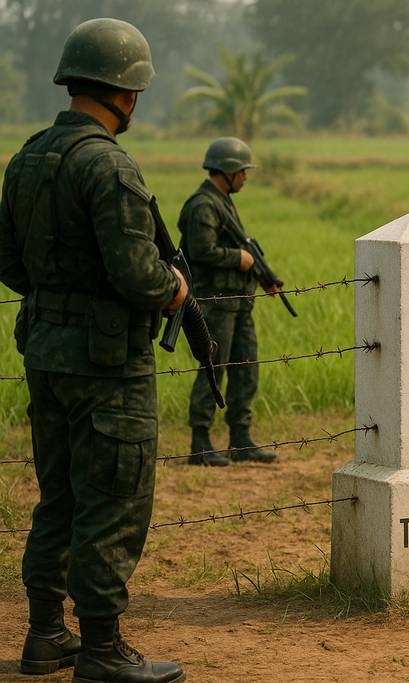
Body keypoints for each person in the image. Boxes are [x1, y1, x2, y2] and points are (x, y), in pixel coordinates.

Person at [0, 18, 186, 682]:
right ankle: (103, 649)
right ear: (126, 93)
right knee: (113, 497)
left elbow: (11, 264)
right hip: (109, 367)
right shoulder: (107, 164)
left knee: (58, 498)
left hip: (46, 356)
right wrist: (173, 289)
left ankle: (46, 633)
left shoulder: (26, 158)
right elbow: (139, 274)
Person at [179, 137, 278, 465]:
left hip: (238, 302)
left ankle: (241, 438)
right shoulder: (202, 205)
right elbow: (201, 251)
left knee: (246, 368)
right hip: (215, 302)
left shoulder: (222, 201)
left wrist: (262, 274)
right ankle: (201, 442)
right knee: (213, 368)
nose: (246, 178)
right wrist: (239, 258)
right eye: (242, 171)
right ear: (227, 171)